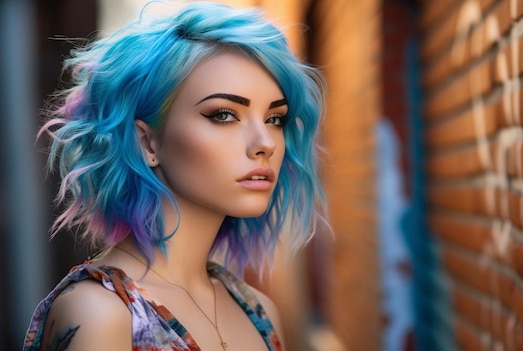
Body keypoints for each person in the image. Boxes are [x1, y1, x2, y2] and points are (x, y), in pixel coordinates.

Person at [23, 1, 327, 350]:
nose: (265, 144)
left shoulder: (260, 312)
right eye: (224, 114)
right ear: (146, 141)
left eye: (275, 119)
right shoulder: (100, 313)